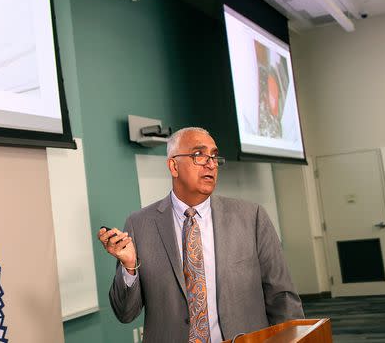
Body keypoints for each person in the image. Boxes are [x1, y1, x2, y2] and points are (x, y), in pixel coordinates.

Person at [99, 127, 303, 342]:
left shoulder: (252, 217)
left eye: (214, 156)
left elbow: (282, 297)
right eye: (199, 155)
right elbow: (125, 313)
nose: (211, 163)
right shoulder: (139, 224)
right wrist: (130, 267)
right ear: (173, 166)